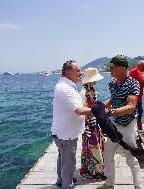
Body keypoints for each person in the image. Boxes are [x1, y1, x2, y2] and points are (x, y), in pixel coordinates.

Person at [97, 55, 142, 189]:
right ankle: (109, 183)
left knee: (131, 159)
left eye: (113, 67)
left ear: (122, 68)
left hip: (128, 125)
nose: (110, 69)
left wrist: (111, 112)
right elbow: (113, 99)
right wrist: (100, 107)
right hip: (115, 125)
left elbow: (131, 107)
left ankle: (138, 186)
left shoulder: (133, 83)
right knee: (107, 154)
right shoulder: (112, 83)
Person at [51, 60, 91, 189]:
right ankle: (67, 185)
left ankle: (61, 179)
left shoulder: (67, 85)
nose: (81, 73)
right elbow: (79, 110)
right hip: (66, 134)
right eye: (78, 70)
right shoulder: (65, 88)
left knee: (63, 157)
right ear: (68, 72)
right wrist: (99, 110)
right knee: (69, 161)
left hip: (63, 132)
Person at [79, 67, 107, 180]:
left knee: (97, 146)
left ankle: (98, 170)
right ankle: (92, 171)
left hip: (95, 122)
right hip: (88, 123)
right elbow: (82, 109)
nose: (96, 81)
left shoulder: (92, 90)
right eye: (94, 79)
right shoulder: (83, 93)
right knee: (90, 146)